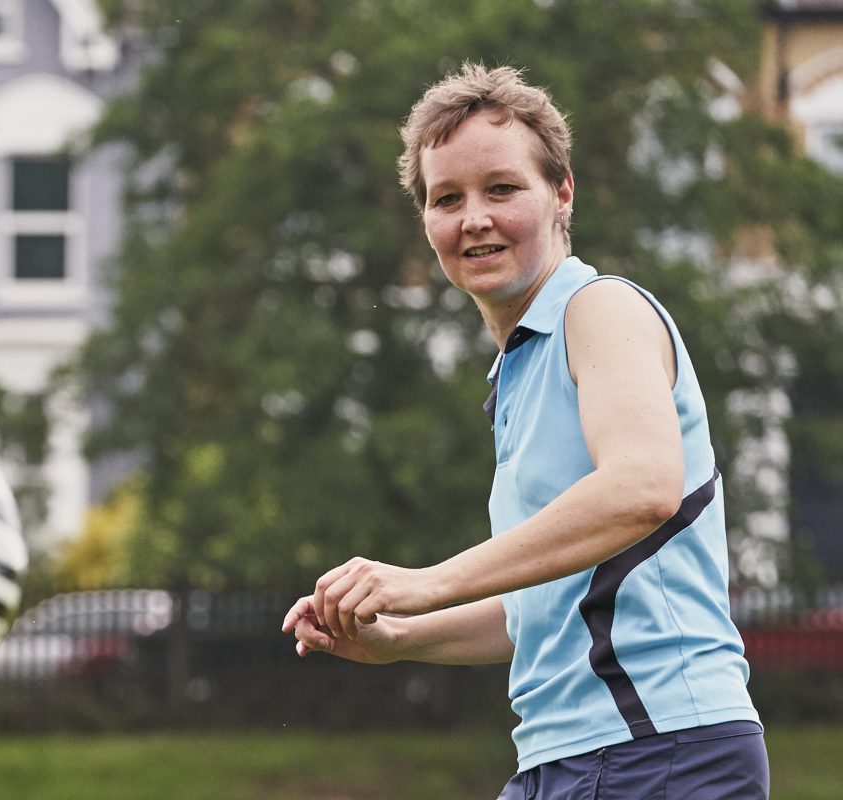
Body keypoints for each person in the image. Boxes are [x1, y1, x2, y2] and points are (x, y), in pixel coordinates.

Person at [283, 64, 765, 798]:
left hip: (661, 749)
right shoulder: (520, 368)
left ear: (561, 193)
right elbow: (543, 608)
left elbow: (643, 488)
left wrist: (425, 583)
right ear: (425, 222)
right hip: (569, 758)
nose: (473, 217)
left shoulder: (599, 309)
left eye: (501, 189)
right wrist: (399, 638)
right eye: (447, 198)